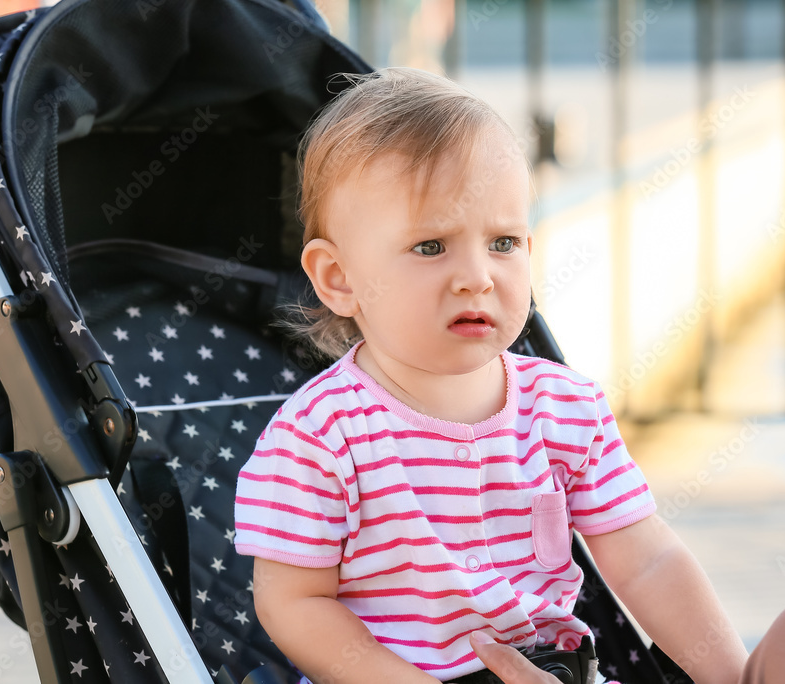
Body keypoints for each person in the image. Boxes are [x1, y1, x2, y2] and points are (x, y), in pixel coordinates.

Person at [233, 66, 747, 684]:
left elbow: (648, 562)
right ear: (339, 278)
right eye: (431, 247)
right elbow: (294, 603)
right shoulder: (321, 435)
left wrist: (732, 674)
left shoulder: (565, 407)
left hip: (554, 672)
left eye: (503, 243)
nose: (477, 275)